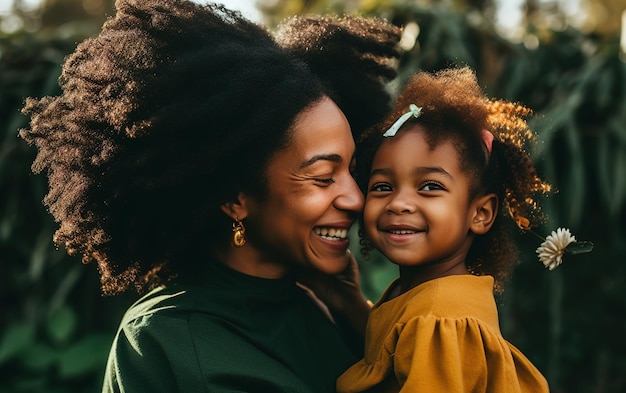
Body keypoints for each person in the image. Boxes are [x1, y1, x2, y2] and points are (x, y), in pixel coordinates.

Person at [19, 0, 402, 391]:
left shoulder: (322, 309)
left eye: (352, 172)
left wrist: (353, 313)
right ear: (235, 198)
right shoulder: (165, 342)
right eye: (323, 177)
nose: (355, 199)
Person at [336, 66, 551, 392]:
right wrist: (342, 296)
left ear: (480, 213)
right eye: (382, 187)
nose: (399, 203)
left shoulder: (440, 319)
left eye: (430, 186)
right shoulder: (420, 293)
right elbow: (383, 355)